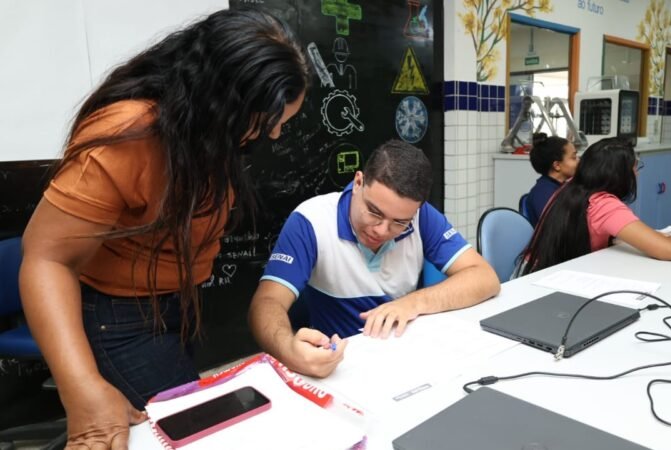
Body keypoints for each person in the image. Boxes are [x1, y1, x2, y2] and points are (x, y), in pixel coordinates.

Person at [19, 9, 309, 449]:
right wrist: (79, 385)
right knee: (190, 436)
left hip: (178, 304)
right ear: (221, 103)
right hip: (120, 317)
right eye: (266, 123)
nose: (272, 136)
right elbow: (46, 258)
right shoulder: (128, 134)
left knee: (183, 423)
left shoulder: (208, 133)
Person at [248, 140, 501, 377]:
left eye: (399, 223)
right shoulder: (310, 221)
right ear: (358, 182)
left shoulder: (422, 217)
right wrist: (289, 349)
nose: (381, 230)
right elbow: (266, 303)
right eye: (373, 212)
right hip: (340, 366)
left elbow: (485, 277)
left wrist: (412, 303)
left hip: (406, 360)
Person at [515, 137, 671, 276]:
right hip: (556, 280)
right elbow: (669, 251)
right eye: (635, 167)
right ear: (620, 174)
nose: (637, 175)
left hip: (537, 272)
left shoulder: (571, 187)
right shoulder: (603, 204)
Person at [524, 133, 579, 227]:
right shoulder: (543, 194)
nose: (578, 161)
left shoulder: (561, 187)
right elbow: (558, 228)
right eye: (573, 158)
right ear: (557, 165)